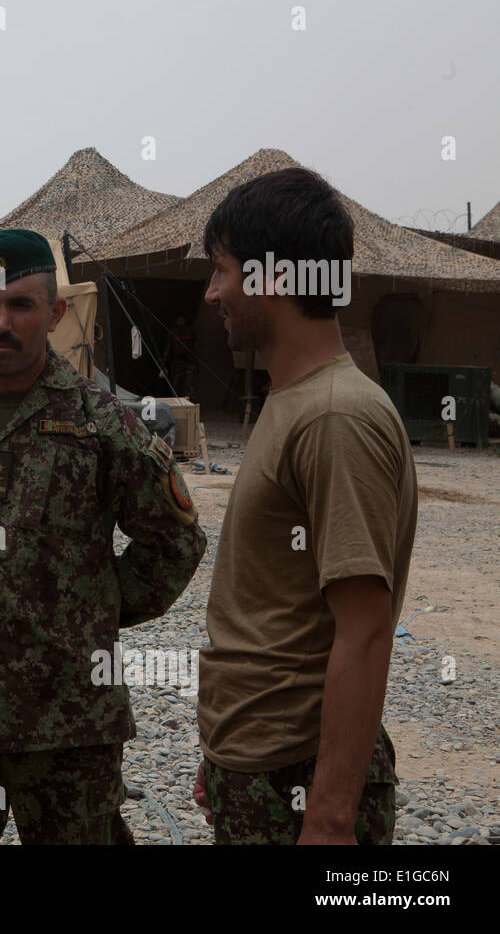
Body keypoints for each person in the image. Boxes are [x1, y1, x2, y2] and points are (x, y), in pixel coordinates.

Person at [0, 228, 206, 844]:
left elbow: (175, 542)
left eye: (20, 305)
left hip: (69, 725)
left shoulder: (101, 421)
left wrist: (92, 605)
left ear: (53, 313)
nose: (1, 322)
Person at [194, 167, 417, 845]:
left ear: (275, 280)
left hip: (296, 782)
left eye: (222, 270)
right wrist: (226, 757)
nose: (212, 293)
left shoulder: (333, 416)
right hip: (261, 769)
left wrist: (327, 815)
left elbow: (366, 629)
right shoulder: (295, 400)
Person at [162, 313, 198, 398]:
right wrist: (164, 361)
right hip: (177, 361)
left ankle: (188, 401)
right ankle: (175, 400)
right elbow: (168, 348)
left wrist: (197, 358)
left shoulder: (191, 331)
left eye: (182, 321)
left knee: (189, 382)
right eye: (179, 321)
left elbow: (196, 345)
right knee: (176, 382)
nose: (181, 323)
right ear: (176, 322)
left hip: (190, 359)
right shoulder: (172, 333)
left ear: (185, 322)